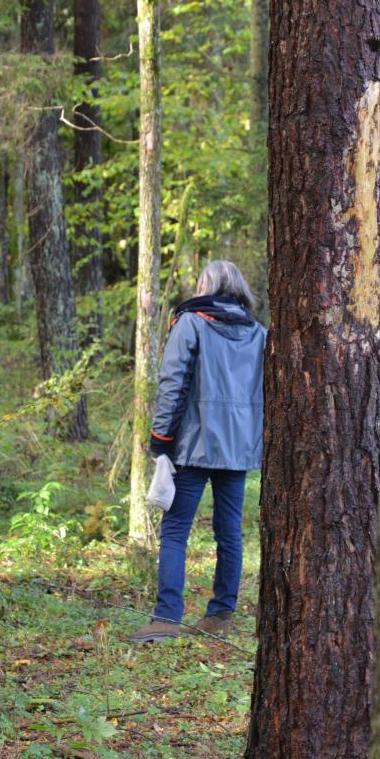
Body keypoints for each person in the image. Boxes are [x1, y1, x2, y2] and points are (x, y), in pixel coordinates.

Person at [128, 260, 266, 643]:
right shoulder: (258, 332)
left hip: (193, 443)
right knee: (229, 533)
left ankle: (166, 619)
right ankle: (221, 614)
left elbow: (173, 382)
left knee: (174, 532)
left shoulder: (191, 322)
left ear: (206, 285)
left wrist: (161, 440)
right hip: (237, 448)